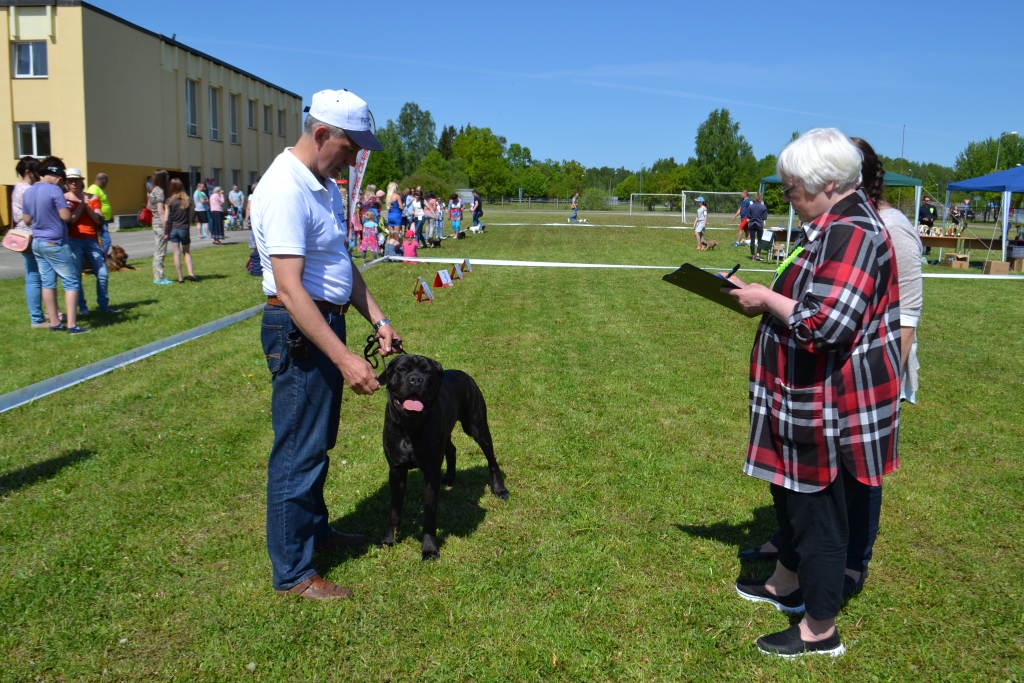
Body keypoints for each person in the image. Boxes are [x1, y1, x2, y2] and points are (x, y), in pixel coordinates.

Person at [722, 128, 900, 658]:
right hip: (805, 398)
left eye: (794, 189)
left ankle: (820, 629)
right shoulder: (832, 226)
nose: (788, 199)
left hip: (830, 405)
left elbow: (828, 325)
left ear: (827, 184)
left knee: (819, 514)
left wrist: (764, 301)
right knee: (795, 501)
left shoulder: (853, 232)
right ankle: (786, 585)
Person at [250, 88, 399, 601]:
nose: (356, 159)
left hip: (324, 326)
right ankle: (293, 573)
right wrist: (343, 358)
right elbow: (290, 289)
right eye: (352, 148)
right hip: (300, 332)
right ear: (321, 134)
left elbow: (340, 265)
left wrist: (377, 317)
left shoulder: (323, 185)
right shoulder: (285, 189)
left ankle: (313, 532)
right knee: (297, 451)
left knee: (317, 445)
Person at [22, 157, 88, 335]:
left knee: (47, 282)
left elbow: (27, 220)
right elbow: (66, 217)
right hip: (55, 242)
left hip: (37, 242)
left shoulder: (29, 191)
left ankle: (55, 323)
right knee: (71, 282)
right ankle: (73, 325)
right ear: (59, 179)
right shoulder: (54, 190)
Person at [65, 168, 118, 316]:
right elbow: (70, 221)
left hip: (91, 240)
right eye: (70, 180)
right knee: (76, 275)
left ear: (82, 181)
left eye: (76, 180)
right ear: (67, 182)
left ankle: (103, 305)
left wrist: (87, 206)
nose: (73, 183)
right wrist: (82, 204)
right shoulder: (64, 199)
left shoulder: (92, 198)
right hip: (73, 240)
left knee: (103, 273)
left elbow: (98, 221)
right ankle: (82, 308)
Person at [12, 157, 54, 328]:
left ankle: (43, 314)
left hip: (24, 236)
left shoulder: (18, 187)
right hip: (31, 235)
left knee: (34, 276)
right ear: (28, 171)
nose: (40, 175)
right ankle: (37, 318)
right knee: (36, 277)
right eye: (38, 171)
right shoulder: (27, 189)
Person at [164, 178, 198, 283]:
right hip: (184, 229)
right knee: (186, 252)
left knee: (176, 253)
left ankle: (180, 278)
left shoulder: (169, 201)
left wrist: (166, 232)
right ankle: (191, 273)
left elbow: (165, 219)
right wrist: (187, 226)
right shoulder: (188, 200)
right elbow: (189, 217)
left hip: (174, 229)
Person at [149, 170, 173, 285]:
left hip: (154, 221)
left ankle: (158, 276)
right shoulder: (159, 192)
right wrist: (166, 228)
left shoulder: (153, 190)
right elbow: (161, 211)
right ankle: (159, 277)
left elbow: (149, 206)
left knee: (158, 250)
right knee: (160, 252)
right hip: (159, 223)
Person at [86, 172, 112, 255]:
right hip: (99, 220)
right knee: (106, 241)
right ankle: (100, 260)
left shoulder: (99, 189)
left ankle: (101, 259)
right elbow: (90, 205)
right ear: (104, 181)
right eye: (107, 182)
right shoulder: (93, 189)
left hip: (103, 219)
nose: (107, 184)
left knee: (103, 241)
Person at [747, 192, 767, 261]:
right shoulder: (763, 207)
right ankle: (758, 254)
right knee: (759, 241)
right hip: (759, 224)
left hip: (752, 224)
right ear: (760, 198)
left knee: (752, 240)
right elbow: (764, 217)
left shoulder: (751, 206)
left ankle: (753, 255)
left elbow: (748, 216)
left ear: (754, 198)